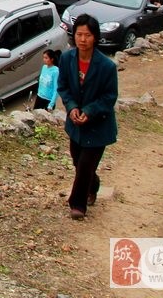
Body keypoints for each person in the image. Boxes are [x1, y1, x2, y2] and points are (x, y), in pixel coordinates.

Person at [56, 14, 118, 220]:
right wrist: (72, 107)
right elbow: (63, 87)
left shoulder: (106, 66)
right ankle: (94, 184)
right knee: (77, 161)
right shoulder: (67, 59)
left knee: (84, 166)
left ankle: (78, 205)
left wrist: (89, 111)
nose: (83, 39)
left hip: (98, 125)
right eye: (79, 34)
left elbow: (109, 96)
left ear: (95, 38)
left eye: (88, 35)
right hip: (75, 124)